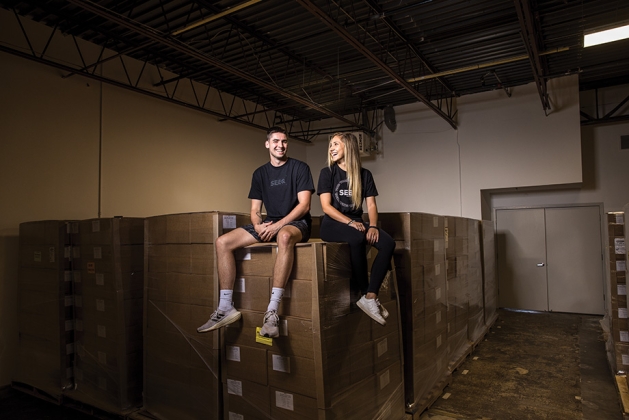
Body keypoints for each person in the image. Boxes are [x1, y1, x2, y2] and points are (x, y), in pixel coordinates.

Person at [197, 126, 315, 338]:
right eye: (276, 141)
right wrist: (259, 225)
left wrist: (278, 226)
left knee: (284, 236)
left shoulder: (300, 168)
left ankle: (272, 311)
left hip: (297, 223)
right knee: (222, 242)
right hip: (269, 223)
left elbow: (304, 206)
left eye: (284, 141)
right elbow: (254, 211)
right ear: (267, 144)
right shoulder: (259, 174)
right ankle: (225, 308)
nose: (281, 145)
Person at [317, 132, 395, 325]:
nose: (331, 148)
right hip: (332, 223)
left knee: (388, 243)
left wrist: (374, 226)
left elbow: (371, 206)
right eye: (330, 145)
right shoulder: (327, 173)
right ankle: (363, 291)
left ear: (348, 147)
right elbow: (326, 207)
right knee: (358, 238)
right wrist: (351, 223)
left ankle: (370, 296)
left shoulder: (364, 174)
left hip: (357, 222)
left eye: (335, 144)